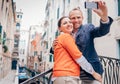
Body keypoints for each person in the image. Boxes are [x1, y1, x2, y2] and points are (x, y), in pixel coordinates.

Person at [51, 1, 113, 84]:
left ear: (82, 18)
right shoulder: (65, 34)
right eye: (73, 18)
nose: (76, 20)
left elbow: (102, 31)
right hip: (72, 73)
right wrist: (53, 47)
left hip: (90, 73)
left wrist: (104, 17)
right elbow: (60, 52)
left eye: (78, 17)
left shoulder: (88, 28)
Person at [52, 16, 102, 84]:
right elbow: (79, 57)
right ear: (59, 28)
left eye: (70, 22)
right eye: (65, 23)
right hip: (67, 77)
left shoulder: (62, 38)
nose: (69, 24)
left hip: (63, 76)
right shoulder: (66, 37)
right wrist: (94, 73)